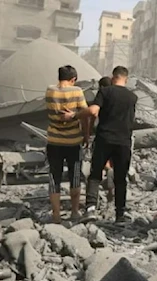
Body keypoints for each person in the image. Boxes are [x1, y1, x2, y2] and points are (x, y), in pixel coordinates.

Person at [63, 66, 138, 224]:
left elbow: (93, 111)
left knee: (95, 175)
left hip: (104, 139)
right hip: (124, 142)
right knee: (120, 179)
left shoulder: (105, 92)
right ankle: (120, 215)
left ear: (113, 77)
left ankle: (90, 209)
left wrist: (74, 116)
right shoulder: (132, 97)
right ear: (126, 78)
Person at [45, 65, 88, 223]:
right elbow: (84, 114)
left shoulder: (50, 90)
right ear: (73, 79)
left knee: (54, 177)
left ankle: (56, 215)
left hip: (53, 141)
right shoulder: (77, 91)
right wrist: (86, 134)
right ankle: (75, 212)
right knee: (75, 177)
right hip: (73, 141)